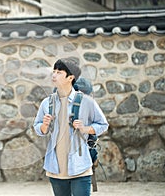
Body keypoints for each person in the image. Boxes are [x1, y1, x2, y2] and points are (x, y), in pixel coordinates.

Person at [33, 58, 109, 196]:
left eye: (59, 72)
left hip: (80, 167)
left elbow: (103, 124)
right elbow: (38, 128)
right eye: (54, 71)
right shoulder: (47, 103)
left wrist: (85, 129)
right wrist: (44, 126)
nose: (54, 75)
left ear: (70, 77)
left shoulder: (87, 102)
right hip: (55, 169)